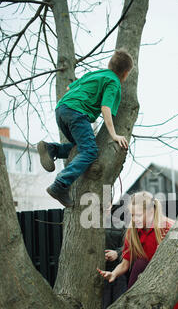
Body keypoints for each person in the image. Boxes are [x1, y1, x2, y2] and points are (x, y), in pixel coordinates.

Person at [37, 49, 133, 207]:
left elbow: (69, 88)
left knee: (81, 149)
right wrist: (114, 135)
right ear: (125, 74)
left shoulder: (96, 74)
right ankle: (60, 185)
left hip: (61, 110)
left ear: (110, 64)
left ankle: (51, 149)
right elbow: (105, 108)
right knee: (90, 151)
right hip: (76, 113)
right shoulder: (113, 82)